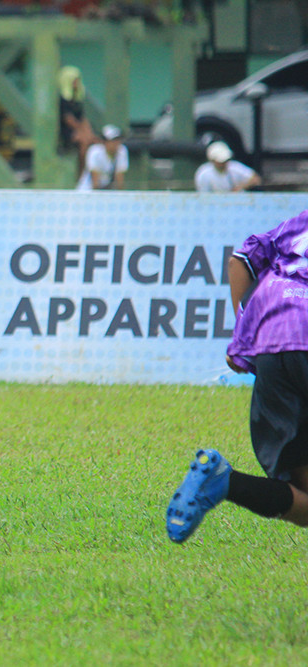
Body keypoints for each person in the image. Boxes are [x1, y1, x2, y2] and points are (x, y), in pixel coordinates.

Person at [166, 209, 308, 543]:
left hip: (274, 334)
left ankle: (225, 482)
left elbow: (240, 260)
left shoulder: (299, 223)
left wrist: (243, 334)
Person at [58, 65, 97, 179]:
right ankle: (81, 174)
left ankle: (90, 172)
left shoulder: (77, 99)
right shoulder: (62, 100)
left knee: (92, 140)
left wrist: (88, 132)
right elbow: (68, 119)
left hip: (78, 130)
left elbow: (83, 118)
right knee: (84, 142)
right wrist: (83, 132)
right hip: (66, 132)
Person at [76, 124, 128, 191]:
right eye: (113, 140)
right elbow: (95, 183)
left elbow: (120, 180)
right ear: (105, 142)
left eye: (118, 140)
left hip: (107, 191)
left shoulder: (122, 151)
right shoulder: (94, 152)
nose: (116, 143)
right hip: (87, 191)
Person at [194, 141, 262, 193]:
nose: (223, 163)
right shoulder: (204, 173)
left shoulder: (235, 167)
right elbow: (203, 196)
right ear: (212, 160)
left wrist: (240, 187)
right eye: (220, 161)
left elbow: (256, 179)